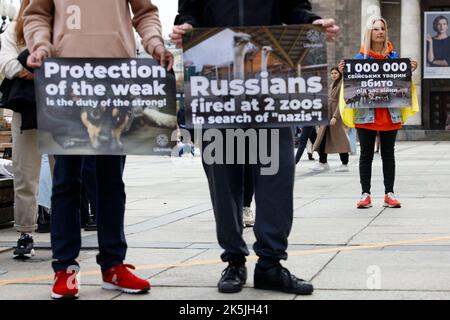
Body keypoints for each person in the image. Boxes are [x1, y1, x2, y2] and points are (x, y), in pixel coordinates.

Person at [172, 0, 339, 295]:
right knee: (223, 183)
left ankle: (270, 264)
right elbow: (190, 11)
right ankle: (234, 260)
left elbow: (295, 8)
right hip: (218, 89)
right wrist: (185, 25)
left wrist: (311, 23)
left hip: (270, 87)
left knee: (276, 178)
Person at [24, 0, 173, 299]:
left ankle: (113, 265)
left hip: (116, 77)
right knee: (67, 181)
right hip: (67, 80)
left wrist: (154, 42)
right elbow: (37, 14)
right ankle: (64, 267)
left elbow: (145, 12)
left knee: (110, 182)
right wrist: (40, 45)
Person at [338, 17, 417, 209]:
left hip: (390, 114)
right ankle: (365, 194)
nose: (380, 32)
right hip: (366, 114)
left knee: (388, 155)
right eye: (375, 29)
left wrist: (409, 70)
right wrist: (343, 73)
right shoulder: (359, 60)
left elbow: (400, 83)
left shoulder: (395, 58)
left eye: (382, 28)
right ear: (369, 33)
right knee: (366, 155)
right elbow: (351, 88)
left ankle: (389, 193)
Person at [0, 0, 44, 259]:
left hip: (60, 108)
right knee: (25, 172)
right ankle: (25, 232)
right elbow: (7, 64)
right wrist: (41, 72)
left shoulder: (59, 26)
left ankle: (64, 229)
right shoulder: (15, 28)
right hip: (26, 108)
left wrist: (25, 67)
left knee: (64, 174)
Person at [311, 67, 351, 173]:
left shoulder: (342, 84)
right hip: (327, 114)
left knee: (340, 139)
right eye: (332, 73)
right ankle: (323, 162)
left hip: (336, 115)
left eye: (335, 73)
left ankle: (344, 163)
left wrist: (335, 116)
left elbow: (341, 102)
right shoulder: (331, 85)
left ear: (340, 74)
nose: (333, 75)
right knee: (322, 138)